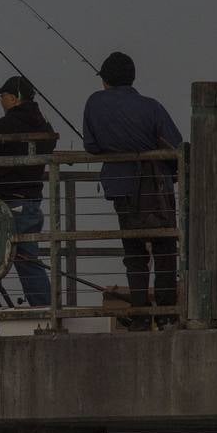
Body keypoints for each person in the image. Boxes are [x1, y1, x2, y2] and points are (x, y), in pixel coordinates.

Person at [82, 51, 184, 330]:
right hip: (156, 187)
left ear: (105, 80)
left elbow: (91, 146)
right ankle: (166, 313)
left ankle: (139, 311)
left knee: (134, 251)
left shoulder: (94, 104)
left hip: (122, 188)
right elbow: (175, 146)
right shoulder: (151, 107)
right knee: (164, 248)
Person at [0, 75, 58, 336]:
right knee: (28, 260)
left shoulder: (5, 125)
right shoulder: (44, 126)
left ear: (15, 97)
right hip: (30, 202)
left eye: (3, 96)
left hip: (5, 203)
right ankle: (47, 316)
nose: (1, 100)